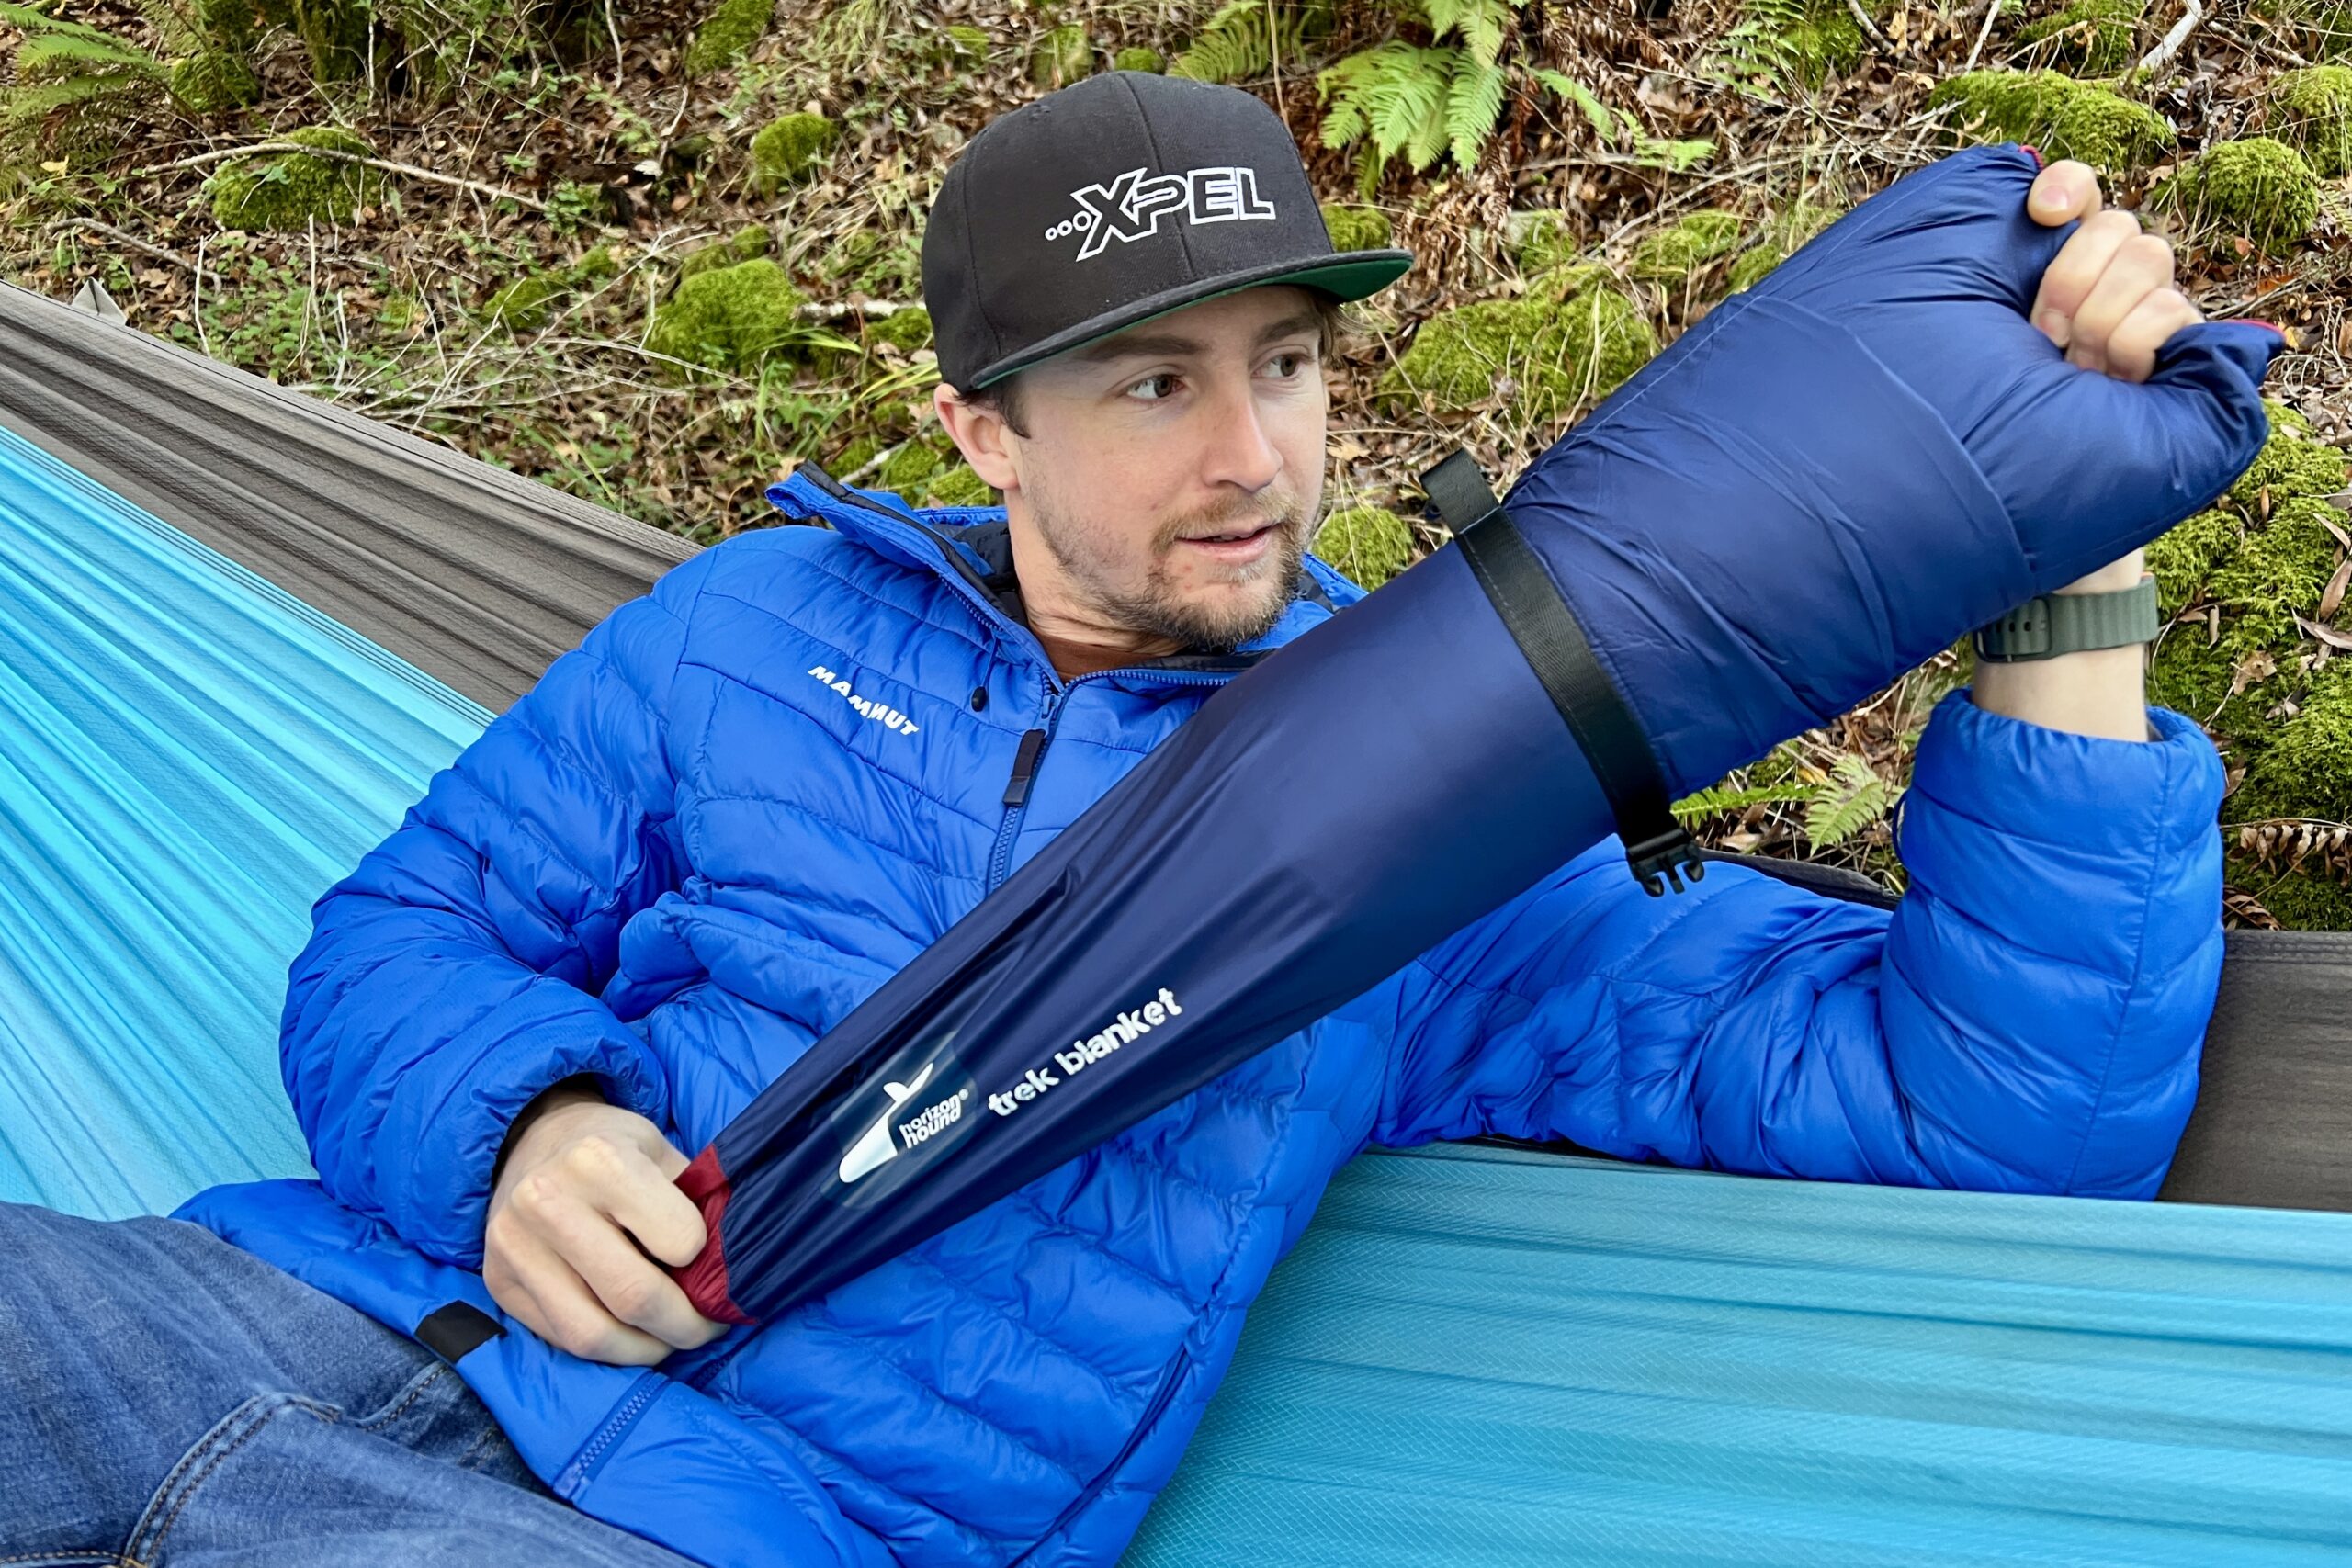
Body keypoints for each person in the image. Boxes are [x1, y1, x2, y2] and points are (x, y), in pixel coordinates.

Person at [0, 71, 2228, 1567]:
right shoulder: (748, 626)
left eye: (1285, 362)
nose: (1250, 454)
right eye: (1156, 383)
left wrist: (2059, 568)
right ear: (981, 424)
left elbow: (1987, 1108)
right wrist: (509, 1124)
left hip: (697, 1521)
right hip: (246, 1307)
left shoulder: (1423, 810)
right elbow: (400, 930)